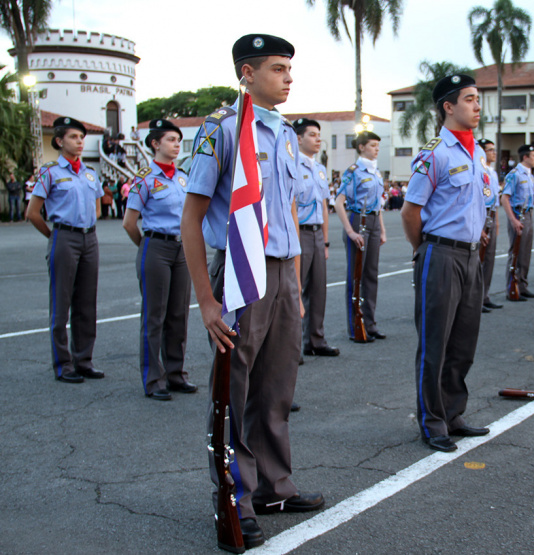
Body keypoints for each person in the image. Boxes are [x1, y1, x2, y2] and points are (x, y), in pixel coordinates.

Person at [180, 34, 323, 550]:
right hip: (242, 272)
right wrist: (207, 300)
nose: (288, 77)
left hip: (283, 274)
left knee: (277, 386)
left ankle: (274, 486)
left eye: (290, 68)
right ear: (247, 72)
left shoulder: (285, 134)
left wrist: (298, 286)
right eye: (279, 68)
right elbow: (191, 219)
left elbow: (286, 210)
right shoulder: (222, 130)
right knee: (234, 388)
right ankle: (234, 499)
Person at [401, 74, 491, 453]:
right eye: (469, 99)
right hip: (440, 254)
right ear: (448, 107)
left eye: (478, 99)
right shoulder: (434, 152)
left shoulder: (479, 153)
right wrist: (427, 248)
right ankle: (432, 421)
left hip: (472, 255)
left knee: (463, 343)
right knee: (435, 343)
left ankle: (453, 413)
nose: (477, 106)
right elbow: (410, 211)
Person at [25, 116, 104, 383]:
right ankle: (63, 364)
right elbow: (33, 212)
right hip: (64, 237)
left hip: (88, 239)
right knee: (61, 303)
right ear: (59, 141)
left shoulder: (90, 172)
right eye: (73, 137)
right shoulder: (50, 172)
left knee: (86, 303)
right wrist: (54, 236)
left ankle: (84, 360)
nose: (80, 142)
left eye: (82, 138)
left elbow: (97, 207)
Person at [122, 118, 195, 401]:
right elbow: (130, 223)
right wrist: (146, 248)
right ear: (155, 144)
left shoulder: (183, 178)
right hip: (156, 247)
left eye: (178, 140)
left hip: (181, 249)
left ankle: (176, 374)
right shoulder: (144, 179)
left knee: (179, 314)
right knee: (155, 316)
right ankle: (154, 379)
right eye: (171, 140)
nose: (176, 145)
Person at [292, 117, 339, 357]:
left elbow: (323, 207)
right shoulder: (291, 165)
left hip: (317, 234)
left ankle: (316, 340)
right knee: (296, 289)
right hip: (299, 232)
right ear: (298, 139)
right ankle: (294, 346)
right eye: (312, 135)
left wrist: (326, 241)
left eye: (319, 135)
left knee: (319, 289)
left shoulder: (320, 170)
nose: (318, 139)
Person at [336, 131, 387, 342]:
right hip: (359, 221)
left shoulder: (376, 172)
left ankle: (370, 323)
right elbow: (339, 202)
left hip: (374, 222)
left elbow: (379, 204)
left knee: (371, 275)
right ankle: (355, 326)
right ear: (361, 147)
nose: (376, 149)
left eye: (378, 145)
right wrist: (350, 230)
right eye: (373, 145)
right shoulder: (354, 171)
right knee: (356, 277)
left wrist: (382, 230)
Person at [501, 144, 534, 300]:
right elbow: (504, 198)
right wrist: (513, 220)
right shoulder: (514, 174)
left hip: (528, 214)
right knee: (516, 252)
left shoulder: (529, 175)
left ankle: (522, 285)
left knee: (525, 252)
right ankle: (512, 287)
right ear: (525, 157)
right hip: (518, 215)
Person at [478, 138, 503, 313]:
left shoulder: (492, 173)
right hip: (481, 214)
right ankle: (475, 299)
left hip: (492, 215)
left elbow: (495, 200)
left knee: (490, 258)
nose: (493, 153)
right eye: (490, 150)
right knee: (478, 259)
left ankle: (485, 295)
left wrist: (498, 221)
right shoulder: (478, 170)